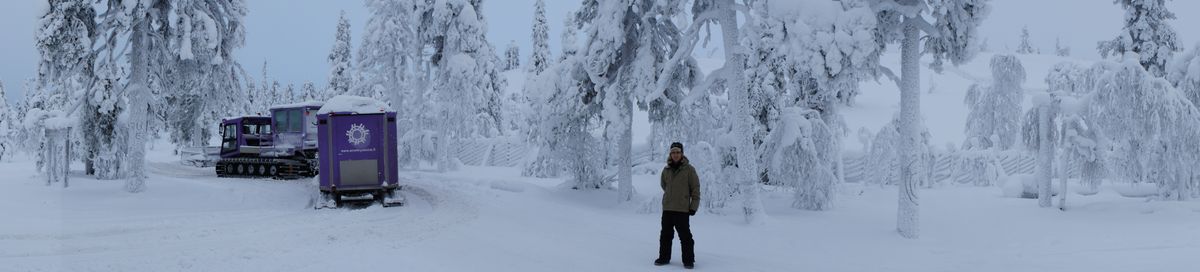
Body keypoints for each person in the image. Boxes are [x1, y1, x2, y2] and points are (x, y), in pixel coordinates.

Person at [654, 142, 700, 269]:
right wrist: (670, 196)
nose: (675, 154)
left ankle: (688, 260)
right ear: (670, 154)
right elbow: (664, 185)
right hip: (668, 208)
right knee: (665, 235)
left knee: (685, 236)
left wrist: (693, 206)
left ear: (682, 154)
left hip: (682, 209)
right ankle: (664, 258)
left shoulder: (689, 170)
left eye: (678, 152)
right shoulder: (666, 170)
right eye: (673, 152)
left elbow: (695, 189)